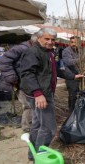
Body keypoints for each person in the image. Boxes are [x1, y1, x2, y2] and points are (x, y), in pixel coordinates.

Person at [19, 28, 58, 161]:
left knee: (37, 125)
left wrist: (72, 75)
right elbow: (27, 74)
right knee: (49, 128)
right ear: (38, 38)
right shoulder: (33, 52)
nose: (50, 42)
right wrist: (38, 94)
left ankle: (33, 155)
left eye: (52, 39)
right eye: (47, 39)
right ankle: (41, 157)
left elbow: (50, 71)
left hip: (43, 92)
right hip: (40, 94)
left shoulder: (47, 52)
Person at [0, 33, 37, 132]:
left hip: (27, 81)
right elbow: (3, 61)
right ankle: (27, 127)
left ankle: (31, 125)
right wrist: (12, 77)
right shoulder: (22, 48)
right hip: (20, 82)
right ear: (35, 41)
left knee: (31, 104)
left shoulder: (33, 49)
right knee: (28, 105)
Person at [62, 36, 83, 113]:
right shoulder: (66, 51)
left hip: (81, 76)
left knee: (81, 94)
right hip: (71, 76)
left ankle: (79, 110)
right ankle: (71, 112)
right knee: (72, 95)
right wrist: (82, 59)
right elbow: (69, 62)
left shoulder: (80, 51)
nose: (73, 44)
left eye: (75, 42)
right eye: (72, 42)